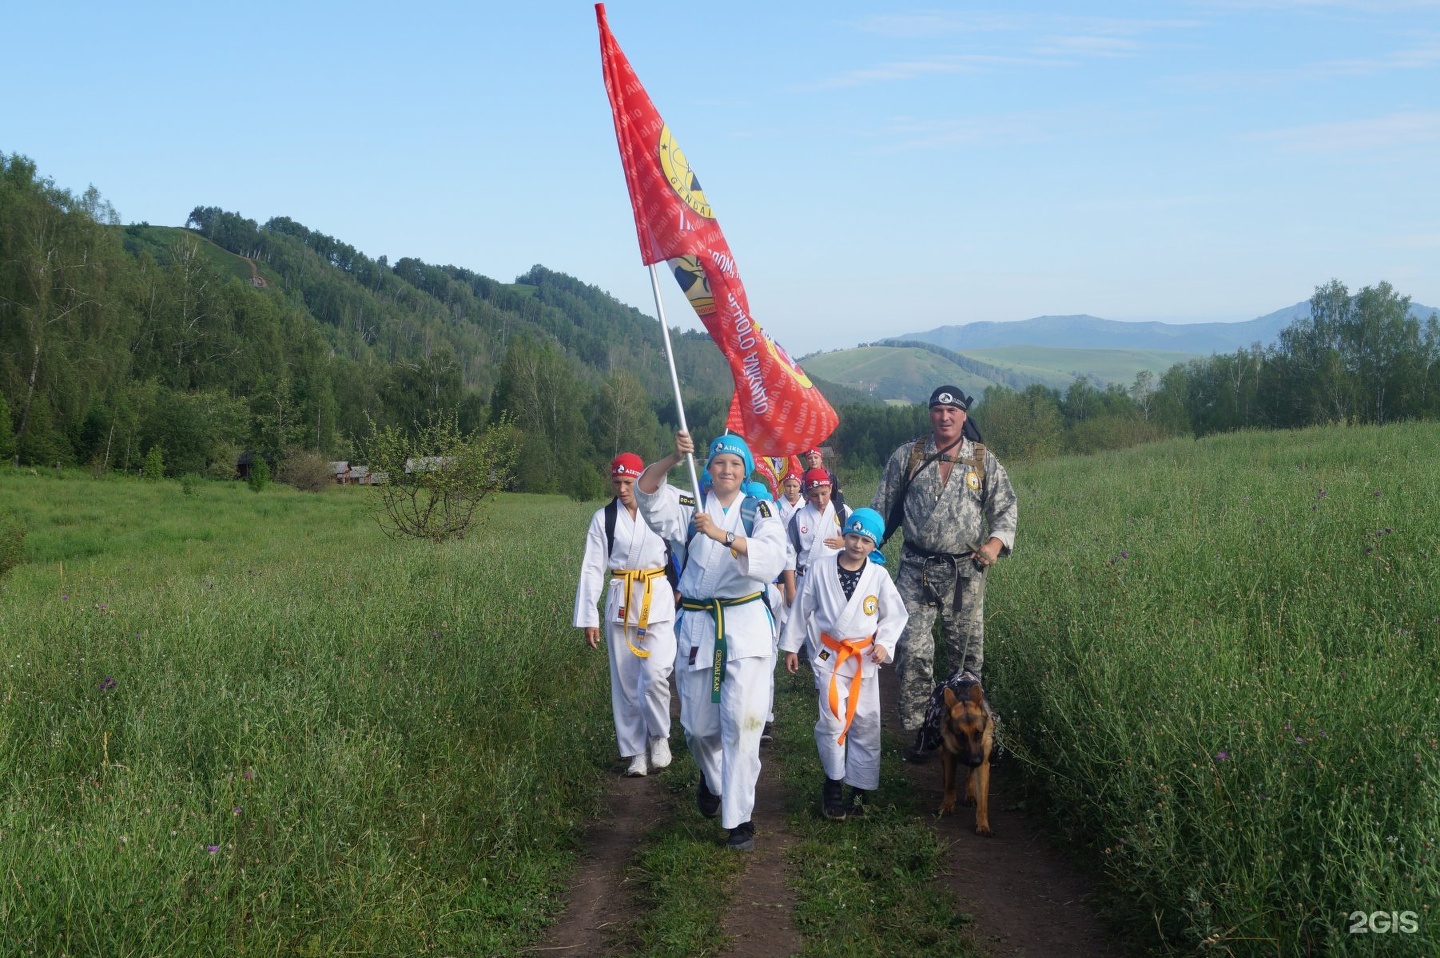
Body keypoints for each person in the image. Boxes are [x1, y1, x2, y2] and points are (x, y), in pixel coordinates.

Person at [636, 431, 788, 852]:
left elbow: (774, 558)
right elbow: (646, 496)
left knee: (743, 724)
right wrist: (672, 455)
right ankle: (714, 779)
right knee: (700, 730)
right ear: (709, 468)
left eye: (736, 464)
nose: (727, 469)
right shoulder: (691, 506)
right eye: (720, 462)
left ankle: (739, 821)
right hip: (702, 627)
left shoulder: (759, 509)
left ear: (745, 471)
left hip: (746, 625)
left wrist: (723, 535)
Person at [870, 386, 1017, 762]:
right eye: (938, 410)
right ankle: (925, 730)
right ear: (930, 414)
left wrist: (994, 546)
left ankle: (974, 735)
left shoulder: (982, 461)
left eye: (952, 411)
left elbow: (1005, 510)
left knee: (967, 660)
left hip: (965, 572)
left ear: (964, 416)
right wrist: (860, 544)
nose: (945, 417)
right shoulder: (908, 456)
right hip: (916, 570)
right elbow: (881, 509)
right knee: (912, 651)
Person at [781, 508, 906, 819]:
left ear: (874, 545)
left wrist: (884, 643)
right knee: (833, 720)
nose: (857, 545)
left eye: (865, 540)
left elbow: (896, 614)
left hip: (864, 659)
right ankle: (833, 784)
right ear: (844, 535)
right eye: (852, 537)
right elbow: (802, 607)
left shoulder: (878, 576)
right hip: (830, 656)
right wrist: (792, 646)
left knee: (866, 721)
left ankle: (860, 789)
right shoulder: (820, 568)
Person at [573, 453, 678, 777]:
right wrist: (589, 616)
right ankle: (635, 752)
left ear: (642, 480)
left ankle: (660, 736)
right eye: (617, 482)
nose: (622, 489)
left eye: (628, 482)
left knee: (656, 675)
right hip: (621, 599)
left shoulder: (661, 511)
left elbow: (686, 547)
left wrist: (685, 586)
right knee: (627, 683)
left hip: (657, 596)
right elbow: (592, 568)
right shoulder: (603, 518)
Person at [801, 446, 845, 515]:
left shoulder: (831, 477)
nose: (813, 460)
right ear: (807, 460)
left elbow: (838, 497)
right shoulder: (802, 478)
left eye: (816, 457)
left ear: (821, 459)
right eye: (810, 458)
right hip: (807, 511)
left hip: (829, 511)